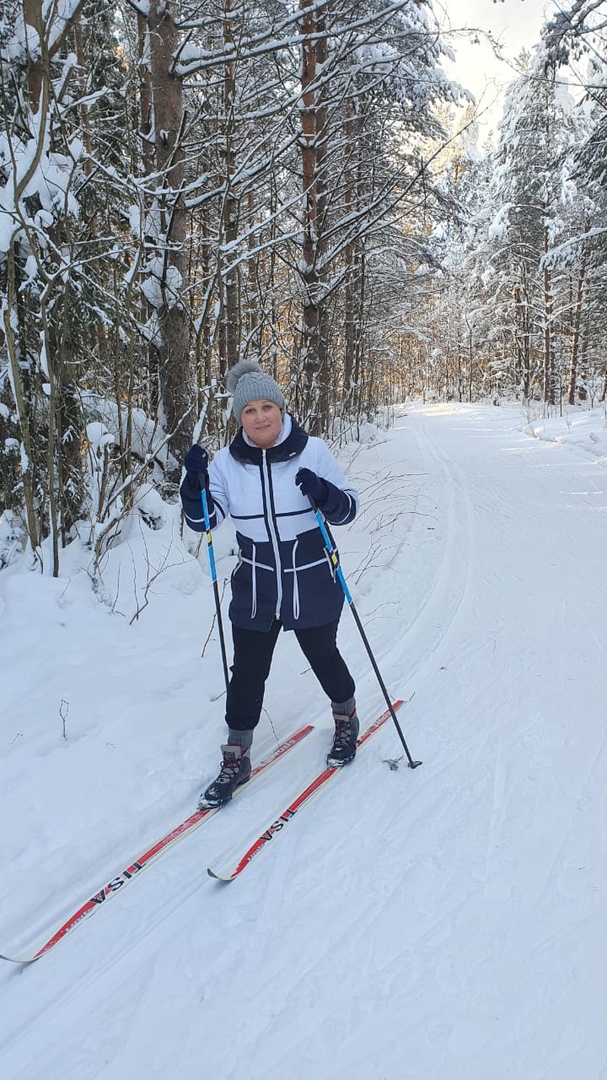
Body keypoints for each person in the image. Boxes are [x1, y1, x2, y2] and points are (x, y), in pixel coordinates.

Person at [180, 359, 360, 808]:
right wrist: (193, 485)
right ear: (238, 417)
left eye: (267, 407)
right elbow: (205, 520)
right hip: (257, 583)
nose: (260, 417)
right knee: (247, 671)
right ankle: (236, 752)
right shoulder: (224, 463)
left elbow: (348, 509)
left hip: (310, 576)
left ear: (281, 408)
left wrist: (324, 493)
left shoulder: (313, 451)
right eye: (249, 411)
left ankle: (346, 716)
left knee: (322, 654)